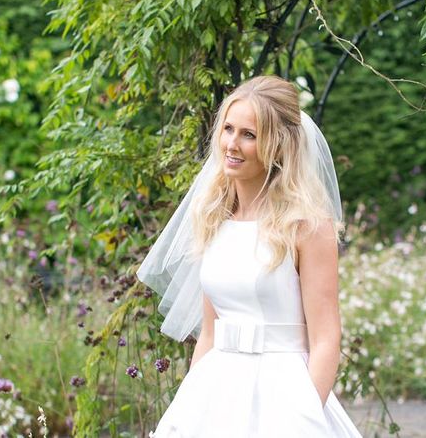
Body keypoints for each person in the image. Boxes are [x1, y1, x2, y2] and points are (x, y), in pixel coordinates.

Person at [137, 75, 362, 437]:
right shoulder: (213, 218)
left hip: (285, 395)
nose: (232, 144)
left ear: (278, 145)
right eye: (228, 129)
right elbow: (209, 333)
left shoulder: (307, 226)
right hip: (218, 390)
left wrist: (303, 419)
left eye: (249, 135)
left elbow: (325, 340)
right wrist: (190, 406)